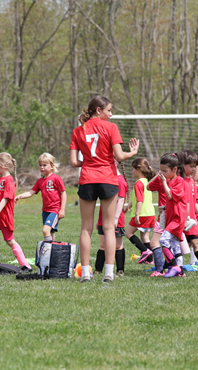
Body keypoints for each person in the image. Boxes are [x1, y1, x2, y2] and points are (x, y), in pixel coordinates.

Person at [69, 95, 139, 283]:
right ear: (98, 110)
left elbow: (74, 161)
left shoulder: (78, 131)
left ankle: (85, 273)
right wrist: (132, 153)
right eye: (109, 110)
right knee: (109, 227)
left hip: (87, 179)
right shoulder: (111, 128)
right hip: (108, 179)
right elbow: (119, 156)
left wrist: (90, 162)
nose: (111, 114)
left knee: (86, 228)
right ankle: (108, 273)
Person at [0, 153, 31, 272]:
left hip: (3, 217)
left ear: (2, 165)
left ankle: (24, 264)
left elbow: (6, 198)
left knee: (9, 240)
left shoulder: (9, 180)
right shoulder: (0, 180)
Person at [14, 153, 67, 243]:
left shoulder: (56, 179)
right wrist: (20, 196)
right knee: (50, 232)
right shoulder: (40, 181)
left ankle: (47, 251)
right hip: (45, 211)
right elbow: (31, 192)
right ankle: (52, 253)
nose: (42, 167)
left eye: (44, 165)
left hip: (55, 210)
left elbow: (63, 193)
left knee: (45, 230)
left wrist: (62, 209)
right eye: (40, 165)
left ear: (52, 166)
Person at [150, 153, 188, 278]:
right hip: (170, 217)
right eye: (160, 170)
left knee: (163, 240)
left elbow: (171, 195)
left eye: (165, 171)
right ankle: (180, 271)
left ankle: (173, 266)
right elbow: (172, 201)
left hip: (177, 219)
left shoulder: (179, 181)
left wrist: (163, 182)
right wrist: (165, 208)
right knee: (174, 244)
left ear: (175, 169)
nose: (162, 173)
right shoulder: (169, 180)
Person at [94, 164, 128, 275]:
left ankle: (120, 270)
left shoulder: (120, 180)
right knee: (103, 244)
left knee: (118, 245)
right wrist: (99, 221)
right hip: (103, 219)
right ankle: (98, 270)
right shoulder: (105, 180)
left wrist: (115, 218)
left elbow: (121, 200)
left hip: (116, 220)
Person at [125, 157, 156, 264]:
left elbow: (140, 199)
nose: (132, 171)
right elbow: (138, 198)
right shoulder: (147, 181)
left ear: (138, 169)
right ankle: (150, 260)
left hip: (142, 214)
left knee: (128, 233)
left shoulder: (138, 183)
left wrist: (137, 214)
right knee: (145, 237)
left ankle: (145, 251)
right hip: (150, 214)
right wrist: (128, 206)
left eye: (132, 169)